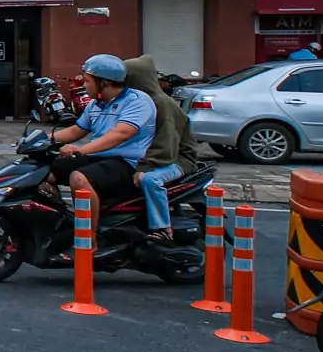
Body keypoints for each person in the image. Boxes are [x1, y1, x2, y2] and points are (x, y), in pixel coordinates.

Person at [45, 53, 159, 214]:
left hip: (127, 162)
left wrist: (81, 150)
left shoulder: (137, 101)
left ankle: (89, 236)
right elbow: (76, 130)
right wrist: (41, 139)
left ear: (104, 83)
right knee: (43, 172)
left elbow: (120, 134)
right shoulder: (96, 104)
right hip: (98, 158)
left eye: (87, 81)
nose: (84, 86)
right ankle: (61, 219)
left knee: (78, 178)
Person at [123, 55, 207, 244]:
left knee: (150, 180)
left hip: (178, 160)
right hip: (158, 157)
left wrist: (144, 167)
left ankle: (162, 228)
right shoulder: (141, 102)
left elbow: (165, 145)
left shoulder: (161, 104)